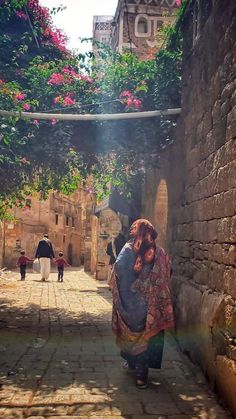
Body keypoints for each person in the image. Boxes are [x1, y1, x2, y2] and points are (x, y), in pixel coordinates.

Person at [110, 219, 174, 389]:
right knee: (147, 338)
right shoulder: (159, 253)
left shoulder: (128, 248)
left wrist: (127, 290)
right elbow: (169, 271)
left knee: (131, 336)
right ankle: (141, 377)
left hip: (129, 305)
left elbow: (118, 267)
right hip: (150, 307)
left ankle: (132, 365)